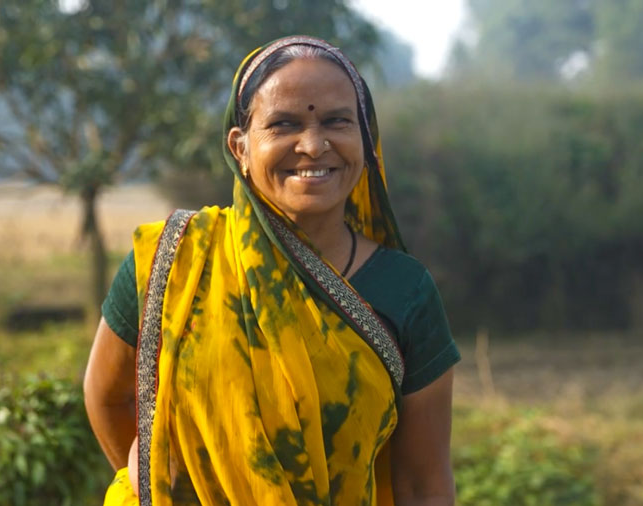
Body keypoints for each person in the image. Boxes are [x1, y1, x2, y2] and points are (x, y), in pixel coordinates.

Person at [84, 35, 460, 506]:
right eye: (284, 124)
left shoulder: (404, 290)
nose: (313, 145)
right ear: (239, 147)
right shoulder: (176, 261)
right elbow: (107, 397)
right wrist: (166, 484)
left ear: (366, 140)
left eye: (336, 121)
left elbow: (423, 485)